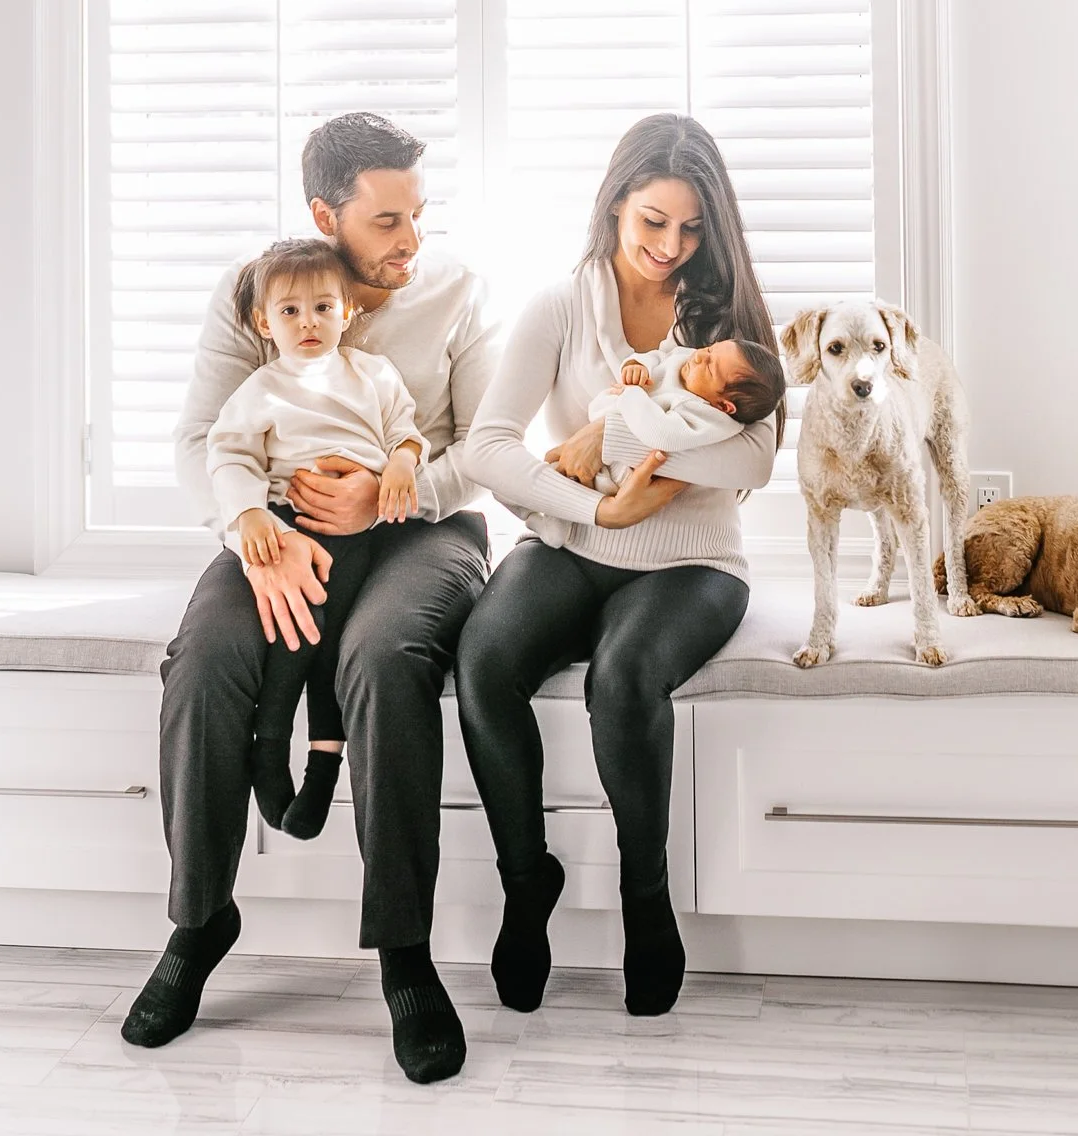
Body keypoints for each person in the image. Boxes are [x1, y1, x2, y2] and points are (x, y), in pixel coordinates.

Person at [121, 113, 497, 1087]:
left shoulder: (453, 291)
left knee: (379, 657)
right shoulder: (260, 293)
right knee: (205, 659)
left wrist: (393, 489)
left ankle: (405, 958)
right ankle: (199, 919)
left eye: (418, 212)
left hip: (425, 532)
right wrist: (255, 531)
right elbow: (203, 438)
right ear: (325, 214)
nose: (410, 239)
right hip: (281, 528)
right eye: (385, 220)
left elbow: (484, 452)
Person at [457, 112, 781, 1020]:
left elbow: (752, 462)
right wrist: (597, 505)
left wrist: (617, 432)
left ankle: (647, 897)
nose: (669, 248)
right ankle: (528, 883)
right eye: (651, 222)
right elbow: (487, 447)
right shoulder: (559, 308)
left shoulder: (725, 321)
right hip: (575, 539)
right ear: (612, 208)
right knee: (483, 662)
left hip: (693, 561)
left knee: (625, 675)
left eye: (689, 228)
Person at [207, 234, 426, 840]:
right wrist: (251, 515)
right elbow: (228, 457)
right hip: (291, 523)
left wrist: (401, 465)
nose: (308, 322)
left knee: (331, 640)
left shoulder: (374, 374)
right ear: (263, 321)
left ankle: (322, 763)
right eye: (290, 311)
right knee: (295, 632)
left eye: (323, 307)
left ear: (348, 311)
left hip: (365, 529)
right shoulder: (262, 389)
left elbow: (406, 433)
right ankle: (272, 749)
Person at [589, 338, 786, 497]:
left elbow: (661, 434)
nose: (700, 356)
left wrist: (631, 393)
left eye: (709, 368)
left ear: (723, 406)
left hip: (621, 471)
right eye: (710, 349)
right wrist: (638, 365)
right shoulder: (687, 358)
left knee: (594, 482)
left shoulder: (703, 415)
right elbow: (659, 357)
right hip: (606, 415)